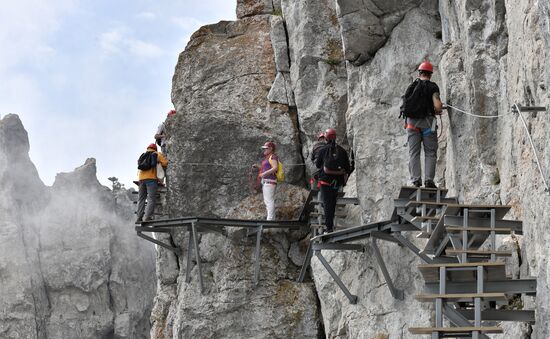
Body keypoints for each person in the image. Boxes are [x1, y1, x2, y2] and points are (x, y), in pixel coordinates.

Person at [400, 61, 443, 188]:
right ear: (430, 74)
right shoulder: (433, 87)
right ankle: (429, 180)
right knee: (430, 152)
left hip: (411, 124)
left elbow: (406, 105)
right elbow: (437, 106)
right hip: (428, 123)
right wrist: (439, 108)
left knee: (414, 153)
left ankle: (416, 180)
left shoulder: (412, 86)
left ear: (419, 73)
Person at [315, 128, 351, 233]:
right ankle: (331, 225)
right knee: (332, 203)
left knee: (326, 204)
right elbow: (348, 168)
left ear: (326, 138)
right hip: (336, 183)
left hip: (325, 182)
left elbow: (317, 165)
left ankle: (329, 227)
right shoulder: (342, 151)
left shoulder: (322, 150)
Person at [136, 143, 168, 224]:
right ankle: (147, 217)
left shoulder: (143, 155)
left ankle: (139, 218)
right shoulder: (156, 154)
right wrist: (159, 162)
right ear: (155, 149)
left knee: (141, 199)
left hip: (141, 180)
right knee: (151, 199)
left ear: (148, 148)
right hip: (151, 179)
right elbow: (165, 163)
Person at [259, 141, 278, 220]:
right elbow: (268, 167)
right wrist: (258, 167)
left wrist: (264, 174)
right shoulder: (269, 157)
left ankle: (270, 219)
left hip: (270, 181)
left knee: (269, 201)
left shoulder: (273, 157)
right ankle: (271, 218)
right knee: (267, 201)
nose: (264, 150)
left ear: (271, 149)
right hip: (267, 181)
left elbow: (275, 168)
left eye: (266, 148)